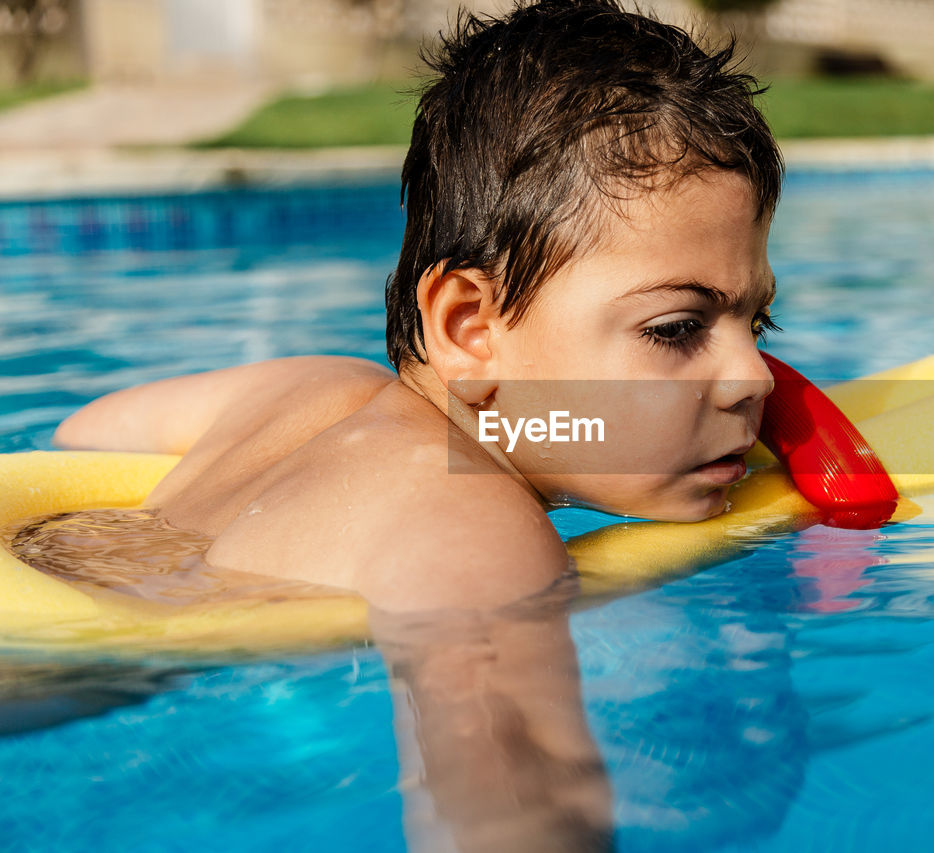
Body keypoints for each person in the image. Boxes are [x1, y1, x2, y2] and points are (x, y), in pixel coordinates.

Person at [52, 0, 784, 615]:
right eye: (677, 328)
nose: (755, 377)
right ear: (470, 330)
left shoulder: (311, 388)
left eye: (756, 323)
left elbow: (82, 431)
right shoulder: (476, 533)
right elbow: (504, 787)